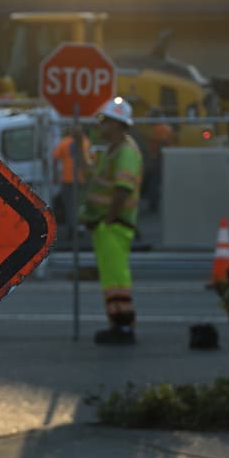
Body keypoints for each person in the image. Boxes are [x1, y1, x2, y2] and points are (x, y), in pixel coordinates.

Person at [82, 97, 143, 344]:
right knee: (111, 279)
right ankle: (118, 324)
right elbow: (95, 178)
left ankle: (123, 327)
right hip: (107, 225)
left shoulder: (126, 151)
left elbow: (122, 189)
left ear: (117, 124)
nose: (100, 126)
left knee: (117, 280)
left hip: (114, 226)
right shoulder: (114, 150)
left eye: (104, 122)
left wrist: (108, 219)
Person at [51, 122, 89, 227]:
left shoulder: (64, 142)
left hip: (68, 179)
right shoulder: (85, 141)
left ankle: (72, 226)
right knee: (79, 204)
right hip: (81, 178)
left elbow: (55, 158)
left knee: (69, 205)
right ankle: (80, 226)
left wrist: (55, 175)